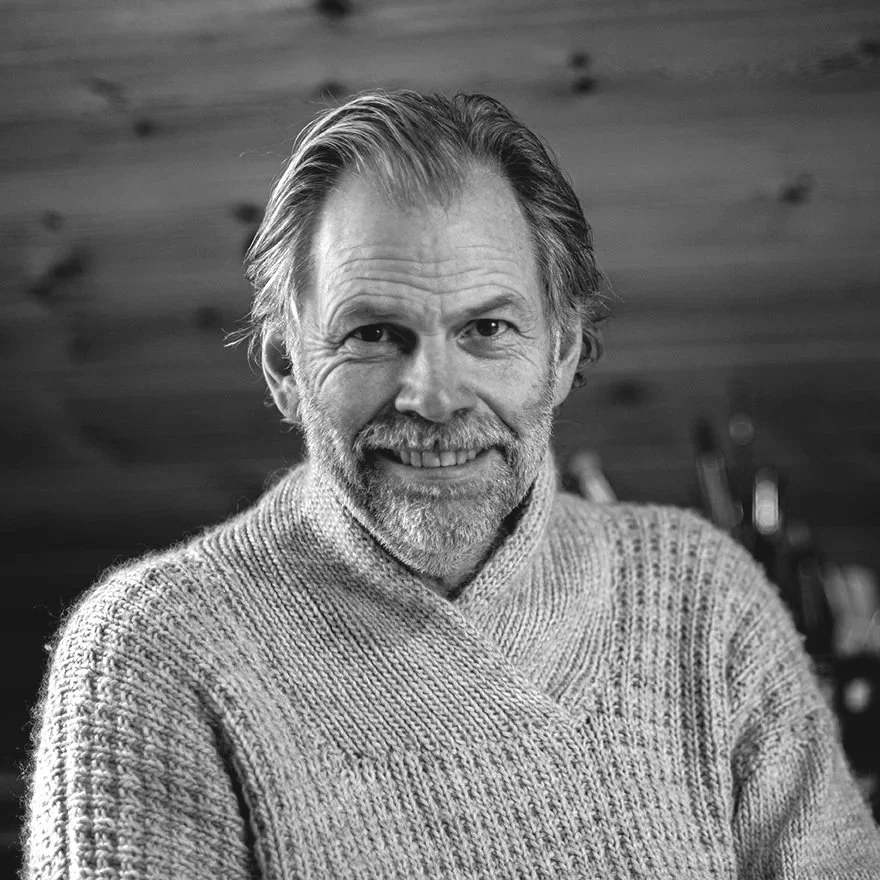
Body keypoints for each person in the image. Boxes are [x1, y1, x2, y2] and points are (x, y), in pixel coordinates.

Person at [23, 90, 880, 879]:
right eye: (373, 334)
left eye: (487, 328)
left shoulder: (704, 596)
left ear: (562, 352)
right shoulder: (153, 654)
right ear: (286, 366)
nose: (434, 397)